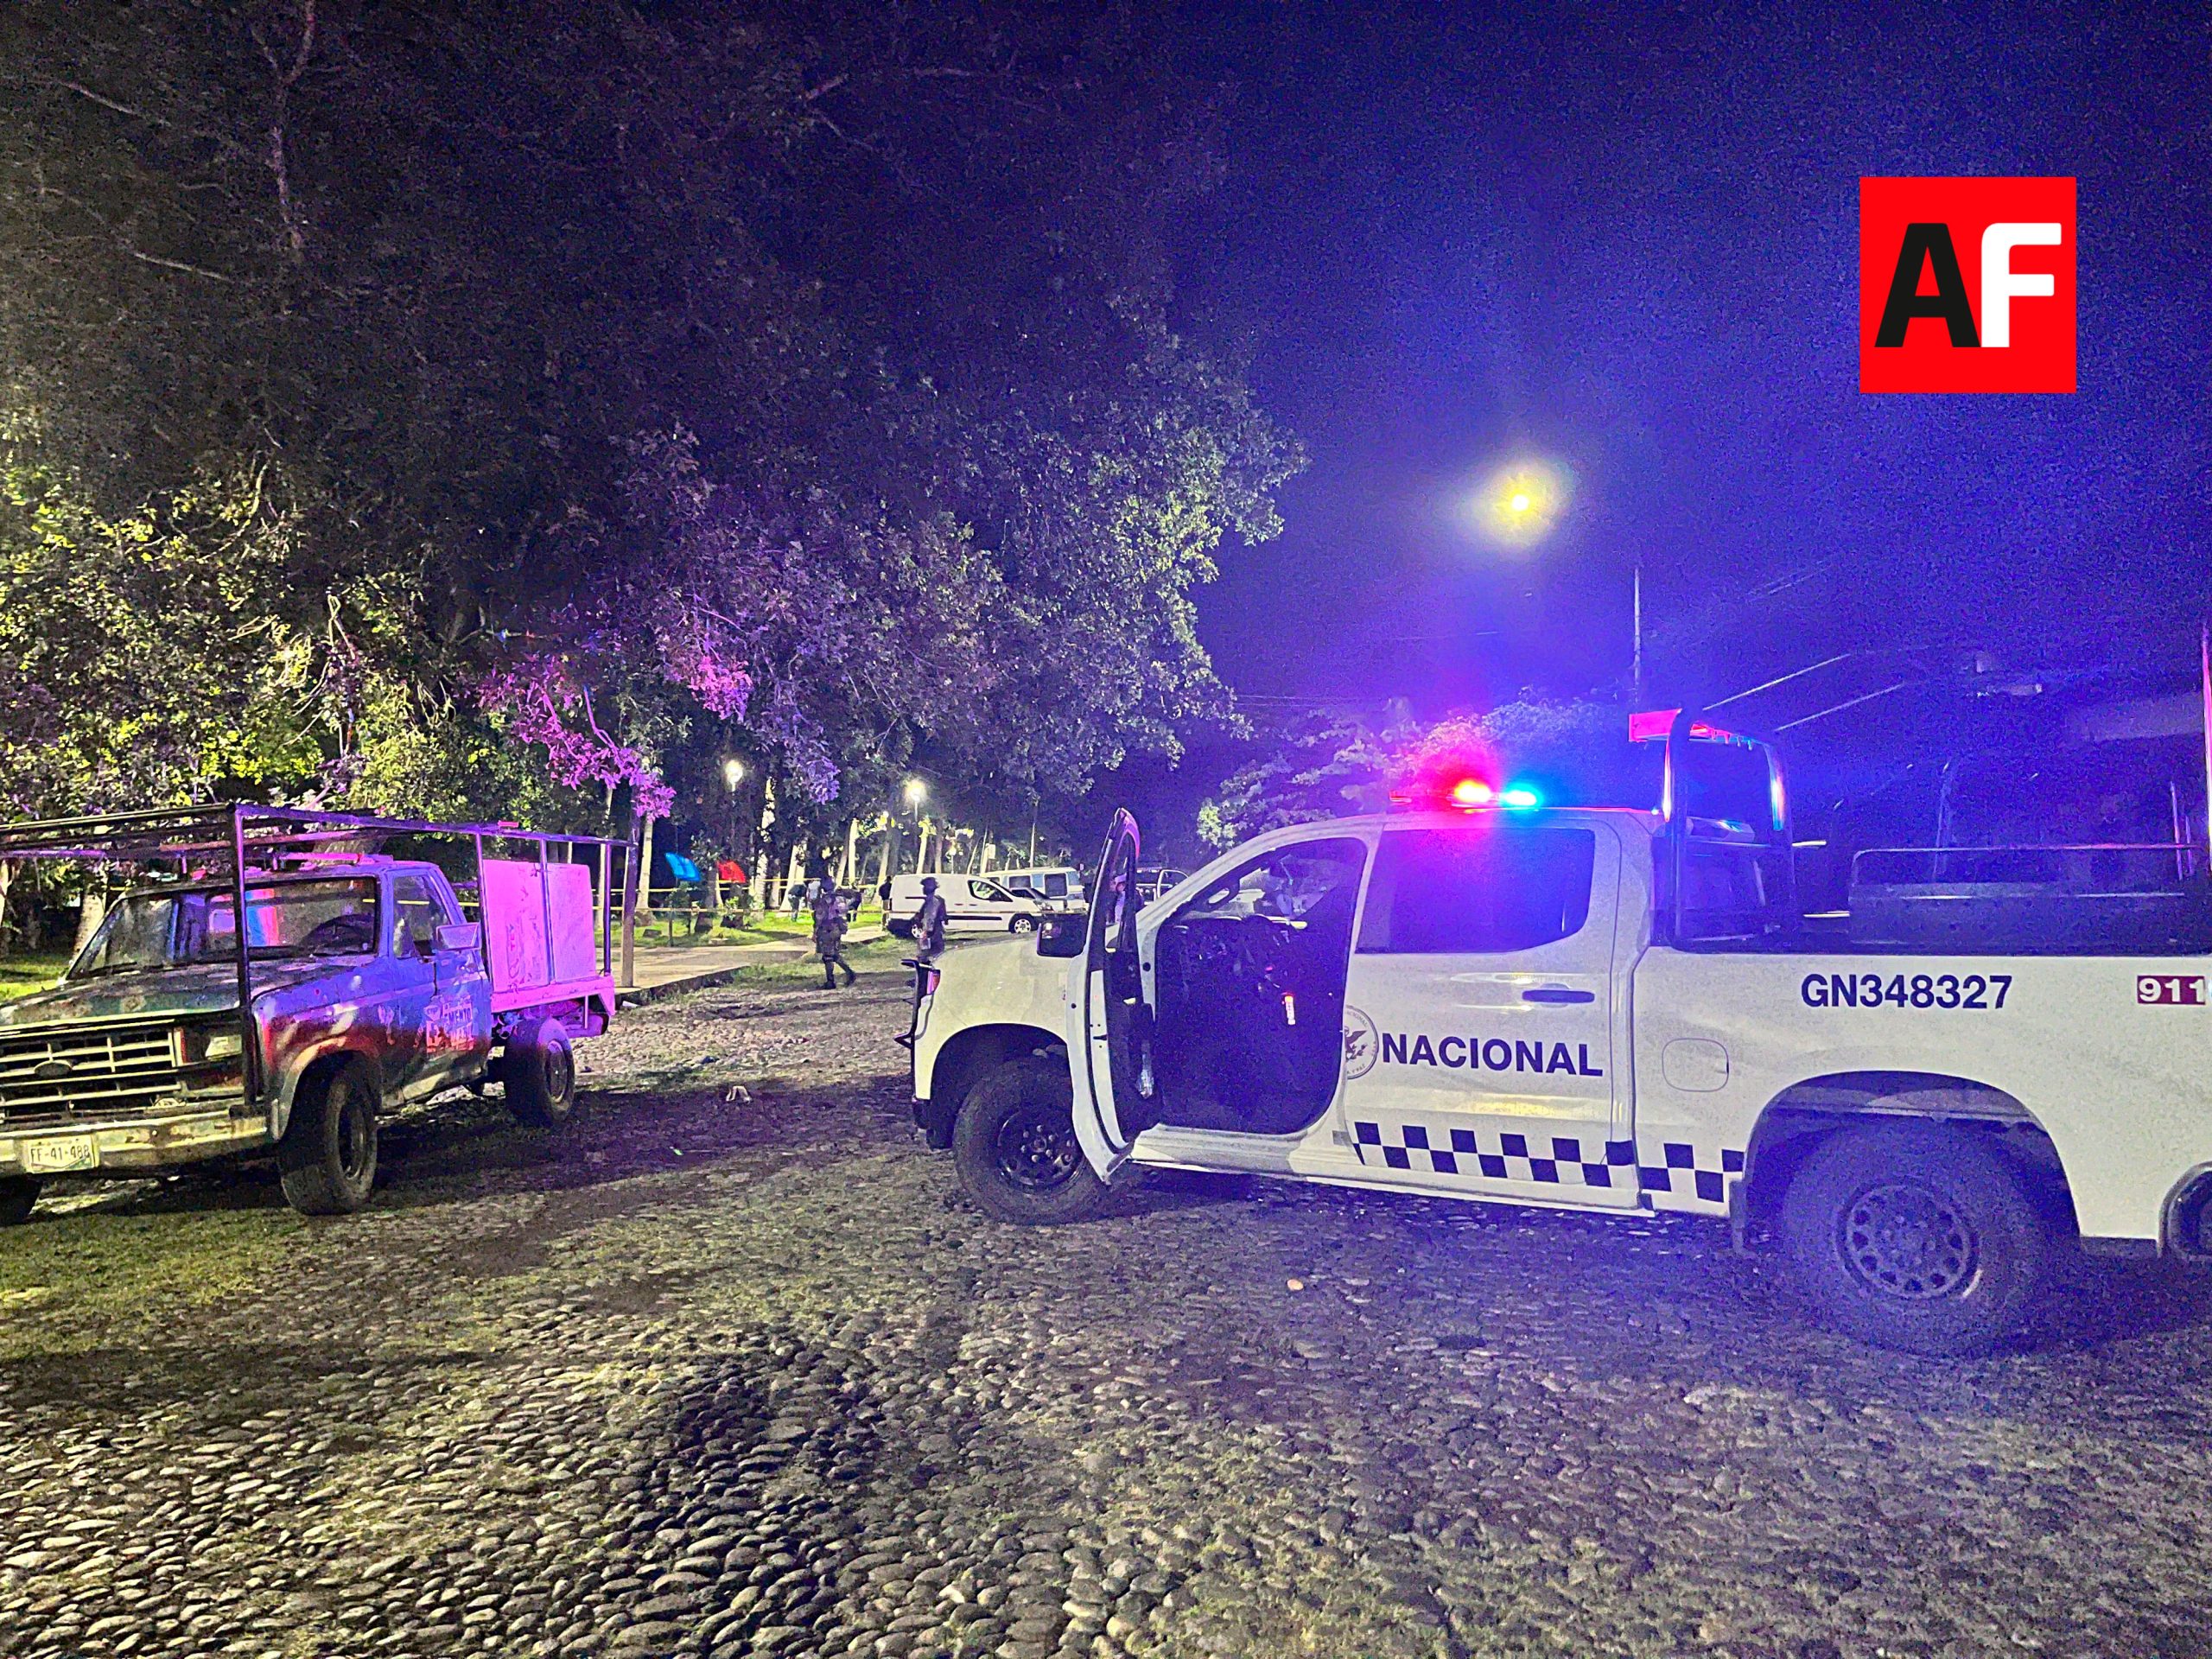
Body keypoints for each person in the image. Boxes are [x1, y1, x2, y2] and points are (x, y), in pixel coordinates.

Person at [812, 881, 856, 989]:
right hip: (838, 929)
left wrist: (815, 932)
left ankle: (830, 981)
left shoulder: (824, 901)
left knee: (827, 957)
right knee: (834, 954)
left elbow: (819, 918)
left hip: (827, 929)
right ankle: (850, 973)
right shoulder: (840, 899)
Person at [914, 875, 950, 960]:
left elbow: (930, 917)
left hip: (932, 932)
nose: (923, 889)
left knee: (927, 955)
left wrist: (925, 931)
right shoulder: (937, 900)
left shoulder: (933, 902)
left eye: (924, 886)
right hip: (936, 931)